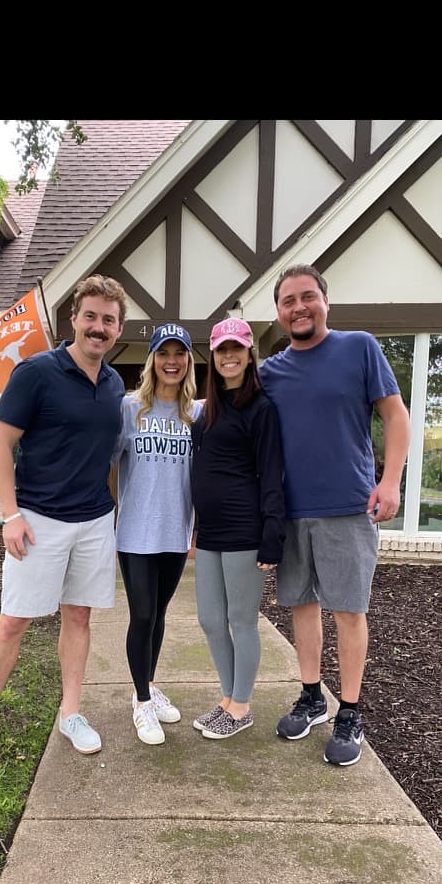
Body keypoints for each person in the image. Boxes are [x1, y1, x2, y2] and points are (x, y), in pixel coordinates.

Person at [0, 273, 126, 766]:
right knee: (14, 620)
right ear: (73, 320)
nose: (99, 327)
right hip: (37, 520)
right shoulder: (36, 372)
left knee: (79, 616)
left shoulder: (115, 383)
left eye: (108, 320)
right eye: (90, 317)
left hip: (94, 521)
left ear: (119, 329)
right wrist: (10, 515)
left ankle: (70, 712)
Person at [259, 264, 411, 767]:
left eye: (307, 297)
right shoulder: (271, 372)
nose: (298, 307)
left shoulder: (359, 348)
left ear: (326, 301)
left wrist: (389, 481)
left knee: (348, 610)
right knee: (301, 606)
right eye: (288, 301)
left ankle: (349, 711)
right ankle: (311, 697)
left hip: (349, 507)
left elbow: (395, 414)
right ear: (278, 313)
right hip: (292, 512)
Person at [191, 317, 286, 740]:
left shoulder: (261, 408)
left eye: (237, 348)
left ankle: (241, 705)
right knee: (211, 619)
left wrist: (272, 535)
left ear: (249, 354)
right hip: (210, 530)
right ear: (213, 355)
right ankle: (227, 698)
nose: (229, 356)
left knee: (241, 620)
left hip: (245, 530)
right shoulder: (209, 408)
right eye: (222, 349)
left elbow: (271, 474)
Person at [112, 324, 203, 744]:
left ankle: (145, 686)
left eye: (179, 353)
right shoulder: (130, 409)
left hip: (175, 532)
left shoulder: (196, 414)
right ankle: (143, 703)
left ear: (187, 361)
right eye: (164, 353)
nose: (172, 360)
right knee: (143, 614)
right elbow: (106, 460)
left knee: (160, 616)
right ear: (152, 359)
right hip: (135, 533)